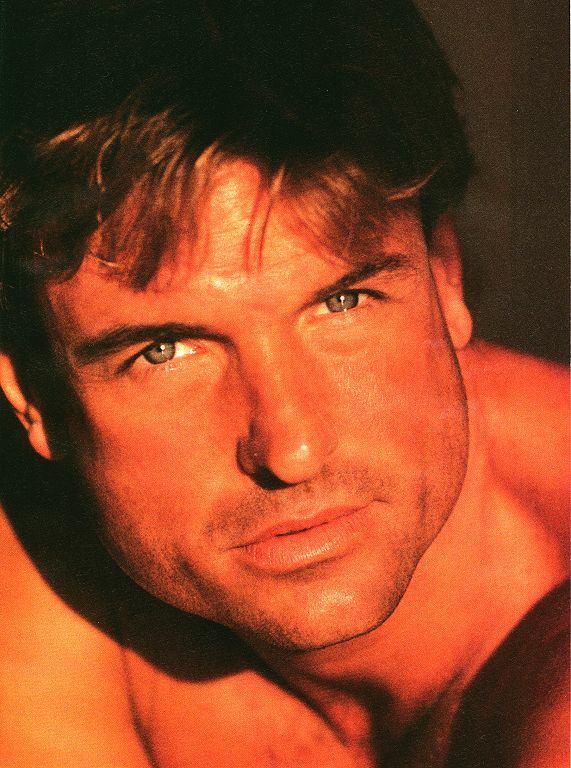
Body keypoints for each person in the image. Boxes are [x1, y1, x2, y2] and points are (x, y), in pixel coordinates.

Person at [0, 1, 568, 766]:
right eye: (165, 351)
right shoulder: (42, 575)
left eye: (342, 302)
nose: (291, 450)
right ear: (33, 397)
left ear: (444, 276)